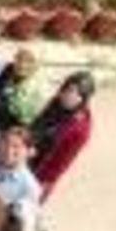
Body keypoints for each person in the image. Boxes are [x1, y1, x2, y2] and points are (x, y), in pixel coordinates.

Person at [29, 71, 94, 201]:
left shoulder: (80, 128)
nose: (68, 95)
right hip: (21, 161)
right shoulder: (55, 105)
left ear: (83, 98)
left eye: (76, 93)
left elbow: (59, 163)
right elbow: (35, 126)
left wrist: (36, 183)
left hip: (41, 177)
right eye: (67, 89)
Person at [0, 128, 42, 209]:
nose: (9, 150)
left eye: (16, 147)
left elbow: (23, 214)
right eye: (6, 144)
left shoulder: (29, 187)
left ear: (29, 152)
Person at [0, 48, 46, 132]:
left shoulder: (37, 87)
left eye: (29, 61)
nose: (22, 65)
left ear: (36, 65)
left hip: (14, 128)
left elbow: (25, 118)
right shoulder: (7, 73)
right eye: (19, 59)